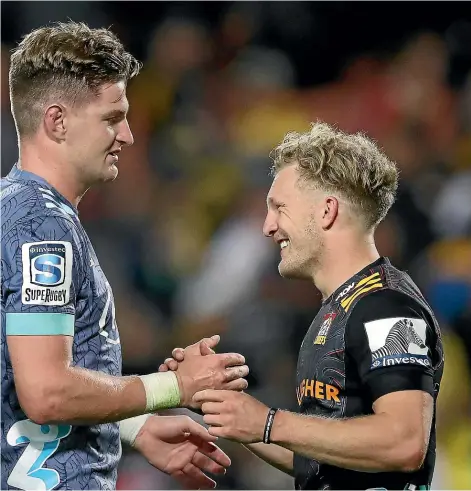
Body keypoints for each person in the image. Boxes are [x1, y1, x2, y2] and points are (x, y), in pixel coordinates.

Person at [1, 21, 250, 491]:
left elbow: (15, 374)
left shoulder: (16, 209)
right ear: (57, 121)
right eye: (112, 118)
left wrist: (131, 423)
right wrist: (174, 389)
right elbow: (46, 392)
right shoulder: (43, 228)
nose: (129, 136)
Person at [161, 122, 445, 490]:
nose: (267, 226)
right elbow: (320, 463)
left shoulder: (387, 307)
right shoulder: (341, 307)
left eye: (279, 207)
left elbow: (405, 442)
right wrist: (229, 408)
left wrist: (268, 422)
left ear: (326, 211)